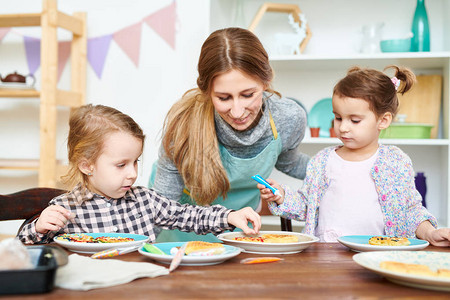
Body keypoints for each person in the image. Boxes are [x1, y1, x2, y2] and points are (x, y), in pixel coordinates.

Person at [258, 65, 450, 247]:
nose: (343, 127)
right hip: (327, 256)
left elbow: (410, 212)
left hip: (378, 256)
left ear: (383, 120)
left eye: (355, 120)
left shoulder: (395, 161)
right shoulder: (322, 160)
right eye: (338, 117)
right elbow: (307, 206)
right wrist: (281, 196)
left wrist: (431, 233)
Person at [150, 27, 310, 242]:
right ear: (207, 91)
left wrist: (338, 166)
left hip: (241, 229)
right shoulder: (184, 125)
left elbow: (288, 163)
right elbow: (162, 209)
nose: (237, 112)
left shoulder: (288, 117)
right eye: (224, 98)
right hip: (182, 231)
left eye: (247, 95)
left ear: (266, 81)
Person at [18, 104, 261, 244]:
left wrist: (229, 217)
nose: (133, 173)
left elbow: (188, 215)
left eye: (136, 162)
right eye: (121, 165)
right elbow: (22, 249)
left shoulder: (145, 200)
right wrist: (38, 228)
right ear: (87, 165)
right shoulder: (64, 208)